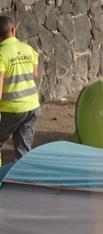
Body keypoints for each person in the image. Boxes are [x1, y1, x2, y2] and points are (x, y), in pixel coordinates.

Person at [0, 15, 40, 161]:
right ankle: (23, 179)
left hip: (12, 108)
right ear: (13, 30)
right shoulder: (29, 49)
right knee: (23, 149)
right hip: (32, 107)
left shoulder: (1, 54)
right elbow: (35, 75)